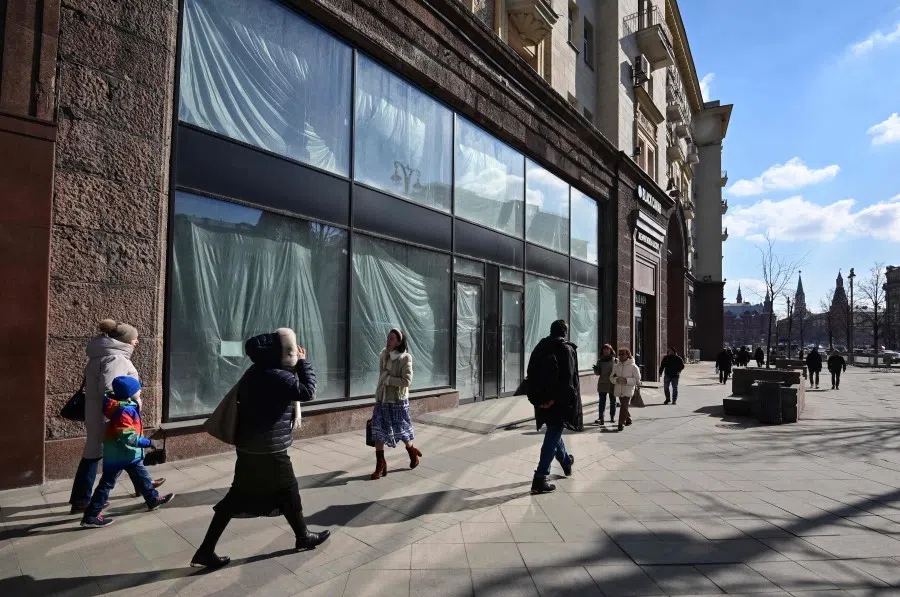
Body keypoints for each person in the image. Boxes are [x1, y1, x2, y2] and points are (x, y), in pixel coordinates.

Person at [190, 329, 328, 569]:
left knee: (238, 496)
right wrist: (303, 363)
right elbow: (308, 392)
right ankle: (303, 537)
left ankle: (206, 550)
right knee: (289, 490)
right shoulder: (278, 376)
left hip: (249, 447)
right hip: (269, 449)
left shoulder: (255, 373)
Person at [69, 320, 164, 514]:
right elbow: (112, 389)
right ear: (124, 340)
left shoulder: (101, 355)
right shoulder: (116, 358)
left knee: (100, 453)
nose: (137, 341)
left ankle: (143, 485)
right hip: (112, 416)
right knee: (121, 452)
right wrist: (132, 402)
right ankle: (84, 501)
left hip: (98, 413)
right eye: (134, 338)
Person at [80, 376, 174, 528]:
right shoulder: (123, 411)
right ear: (129, 393)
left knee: (142, 477)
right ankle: (91, 516)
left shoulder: (126, 406)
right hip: (120, 455)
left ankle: (152, 499)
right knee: (106, 485)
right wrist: (148, 442)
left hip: (128, 454)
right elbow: (128, 436)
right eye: (137, 389)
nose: (140, 390)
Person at [525, 320, 579, 494]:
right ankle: (540, 477)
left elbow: (530, 372)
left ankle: (566, 462)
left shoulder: (540, 346)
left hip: (541, 399)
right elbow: (568, 380)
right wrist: (555, 399)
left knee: (554, 432)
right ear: (565, 332)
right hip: (558, 401)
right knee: (553, 434)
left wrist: (539, 399)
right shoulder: (565, 348)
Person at [370, 328, 421, 480]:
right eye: (388, 338)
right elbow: (381, 376)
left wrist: (389, 380)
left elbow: (407, 381)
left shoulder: (405, 358)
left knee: (401, 431)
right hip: (382, 399)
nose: (388, 341)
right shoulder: (384, 354)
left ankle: (412, 452)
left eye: (392, 339)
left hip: (397, 400)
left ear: (399, 342)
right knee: (378, 429)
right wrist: (381, 388)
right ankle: (380, 463)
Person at [610, 348, 641, 432]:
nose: (620, 356)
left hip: (628, 389)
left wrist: (626, 380)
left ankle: (621, 423)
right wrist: (616, 379)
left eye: (622, 354)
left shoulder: (633, 366)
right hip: (619, 389)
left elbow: (637, 380)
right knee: (624, 406)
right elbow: (611, 377)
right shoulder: (616, 366)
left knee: (624, 405)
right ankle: (628, 419)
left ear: (628, 354)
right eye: (619, 354)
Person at [592, 344, 617, 424]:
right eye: (604, 349)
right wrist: (596, 369)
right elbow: (598, 373)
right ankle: (601, 417)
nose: (606, 351)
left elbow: (618, 372)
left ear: (611, 350)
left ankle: (612, 416)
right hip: (602, 383)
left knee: (613, 401)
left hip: (612, 383)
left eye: (607, 349)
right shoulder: (600, 361)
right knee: (602, 401)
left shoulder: (615, 360)